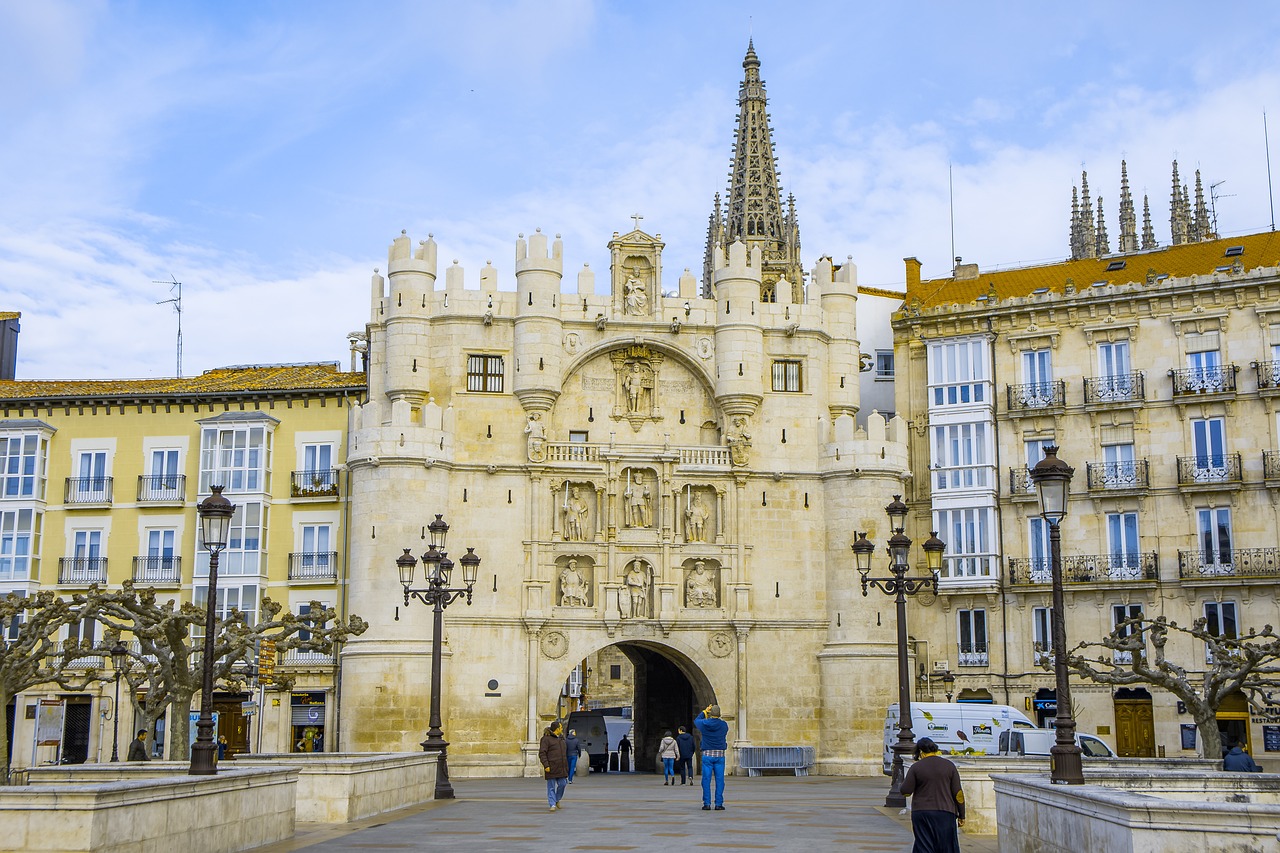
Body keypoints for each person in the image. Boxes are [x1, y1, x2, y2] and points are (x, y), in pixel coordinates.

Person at [900, 737, 965, 853]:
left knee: (924, 845)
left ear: (920, 752)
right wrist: (962, 815)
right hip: (945, 813)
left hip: (921, 812)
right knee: (947, 846)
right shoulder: (949, 766)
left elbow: (905, 791)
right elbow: (958, 794)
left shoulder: (916, 767)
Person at [694, 704, 729, 810]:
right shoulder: (724, 725)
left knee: (706, 779)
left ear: (711, 713)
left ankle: (707, 803)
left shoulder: (704, 724)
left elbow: (696, 720)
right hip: (720, 755)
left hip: (707, 755)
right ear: (719, 714)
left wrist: (704, 711)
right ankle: (718, 804)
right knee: (720, 780)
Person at [539, 720, 569, 811]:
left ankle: (557, 799)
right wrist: (546, 765)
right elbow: (542, 753)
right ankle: (552, 804)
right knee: (551, 786)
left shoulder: (561, 739)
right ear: (557, 729)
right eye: (560, 727)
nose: (562, 729)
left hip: (561, 767)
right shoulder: (546, 739)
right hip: (551, 766)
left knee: (563, 784)